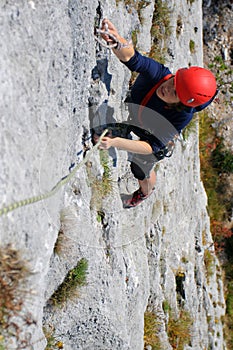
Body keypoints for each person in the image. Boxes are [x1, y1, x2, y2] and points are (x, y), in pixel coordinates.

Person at [94, 19, 217, 208]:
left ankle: (145, 192)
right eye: (173, 82)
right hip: (139, 116)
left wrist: (115, 143)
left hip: (153, 134)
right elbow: (133, 58)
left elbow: (152, 146)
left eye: (175, 93)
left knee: (140, 168)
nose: (167, 88)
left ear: (182, 104)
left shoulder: (181, 116)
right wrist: (117, 41)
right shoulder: (160, 74)